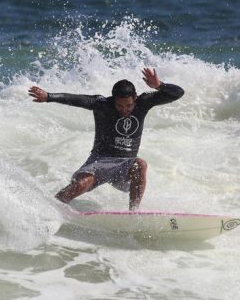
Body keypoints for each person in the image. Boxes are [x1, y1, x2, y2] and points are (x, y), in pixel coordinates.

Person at [28, 68, 184, 211]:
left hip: (125, 164)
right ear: (113, 99)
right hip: (100, 161)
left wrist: (159, 85)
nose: (124, 110)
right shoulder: (102, 104)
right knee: (81, 185)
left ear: (135, 99)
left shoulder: (143, 103)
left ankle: (134, 213)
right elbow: (75, 99)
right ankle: (50, 207)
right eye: (119, 106)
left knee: (140, 165)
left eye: (128, 106)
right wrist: (49, 96)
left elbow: (178, 93)